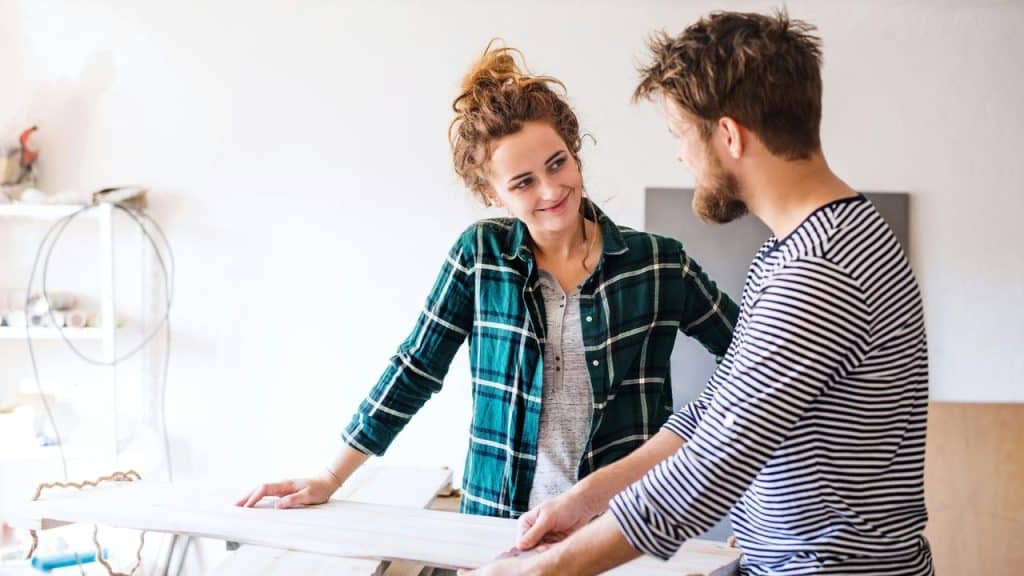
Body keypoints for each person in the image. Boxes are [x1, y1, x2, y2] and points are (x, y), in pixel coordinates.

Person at [467, 11, 933, 576]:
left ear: (729, 135)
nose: (680, 157)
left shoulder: (818, 271)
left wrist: (541, 569)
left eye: (680, 135)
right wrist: (586, 498)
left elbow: (710, 470)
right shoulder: (801, 248)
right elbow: (712, 415)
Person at [238, 43, 738, 520]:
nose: (550, 189)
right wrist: (329, 478)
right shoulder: (480, 257)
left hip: (621, 531)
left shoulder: (657, 263)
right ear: (490, 193)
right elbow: (415, 368)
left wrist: (713, 471)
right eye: (522, 182)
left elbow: (752, 361)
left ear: (574, 151)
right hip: (496, 530)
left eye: (557, 163)